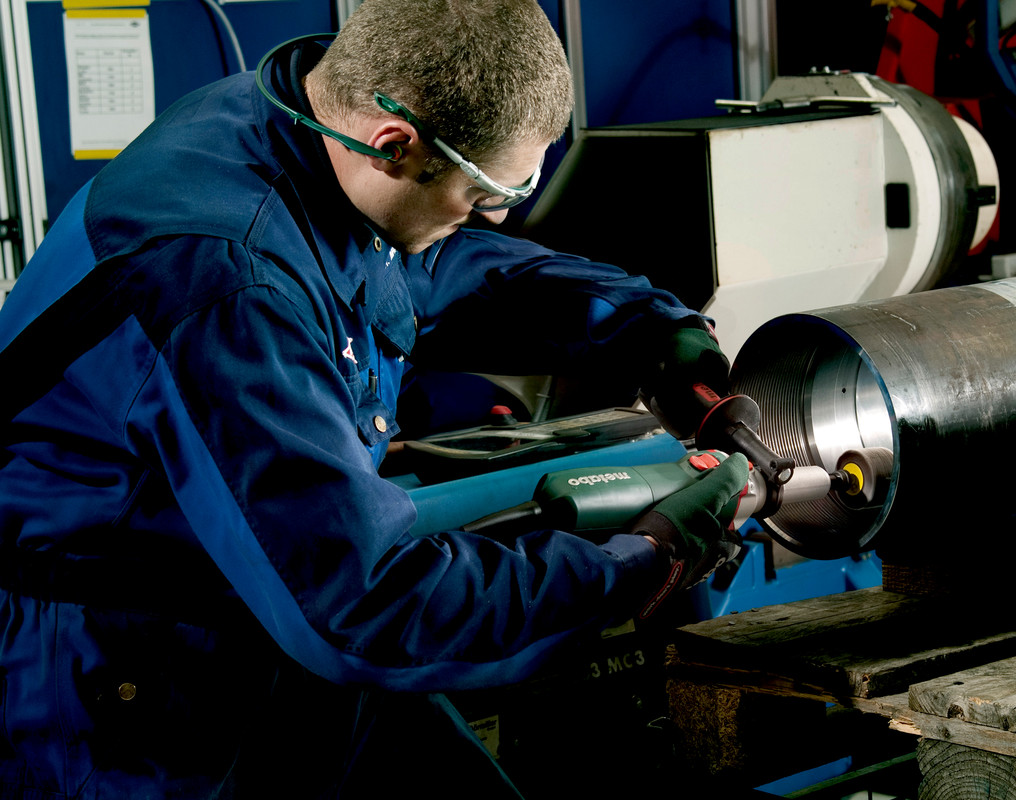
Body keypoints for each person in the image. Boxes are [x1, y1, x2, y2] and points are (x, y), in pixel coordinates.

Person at [0, 0, 749, 796]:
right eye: (484, 195)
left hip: (262, 615)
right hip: (125, 679)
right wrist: (639, 563)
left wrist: (646, 331)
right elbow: (362, 603)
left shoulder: (307, 127)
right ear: (395, 146)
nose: (497, 216)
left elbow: (439, 268)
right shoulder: (227, 284)